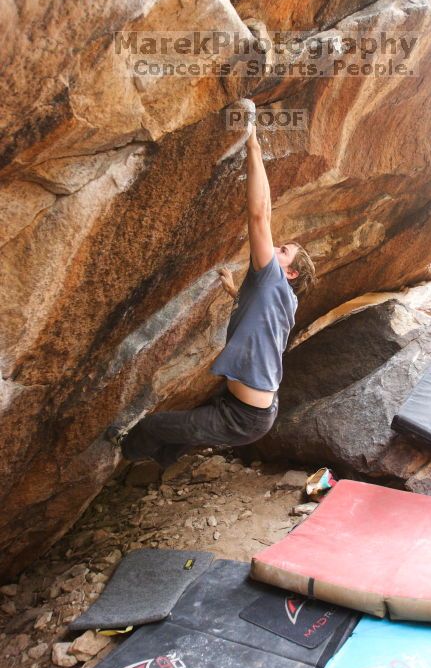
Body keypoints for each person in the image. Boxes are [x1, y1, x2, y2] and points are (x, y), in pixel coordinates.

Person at [106, 121, 316, 468]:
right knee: (188, 429)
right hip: (251, 407)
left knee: (155, 425)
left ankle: (124, 451)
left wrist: (254, 146)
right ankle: (164, 460)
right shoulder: (284, 300)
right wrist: (236, 292)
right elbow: (262, 322)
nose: (275, 249)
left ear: (289, 273)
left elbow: (260, 215)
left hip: (244, 416)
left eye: (283, 251)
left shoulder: (273, 280)